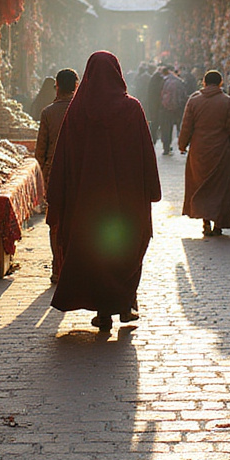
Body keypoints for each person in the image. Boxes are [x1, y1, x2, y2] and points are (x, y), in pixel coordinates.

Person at [47, 51, 162, 331]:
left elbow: (62, 158)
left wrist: (57, 195)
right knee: (124, 249)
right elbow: (146, 154)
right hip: (126, 202)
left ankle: (103, 313)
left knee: (92, 251)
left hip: (86, 205)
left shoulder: (76, 112)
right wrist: (151, 190)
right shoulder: (132, 109)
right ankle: (123, 306)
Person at [178, 70, 230, 237]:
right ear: (220, 83)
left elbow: (186, 125)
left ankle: (205, 222)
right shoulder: (227, 102)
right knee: (220, 188)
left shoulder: (194, 100)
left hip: (199, 151)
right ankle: (218, 224)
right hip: (221, 151)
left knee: (200, 185)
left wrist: (182, 144)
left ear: (204, 83)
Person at [34, 68, 78, 284]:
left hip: (53, 175)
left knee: (56, 223)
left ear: (57, 86)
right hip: (78, 175)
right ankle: (73, 267)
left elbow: (40, 151)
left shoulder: (48, 112)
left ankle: (57, 269)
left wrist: (40, 179)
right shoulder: (83, 111)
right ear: (76, 86)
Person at [159, 66, 188, 155]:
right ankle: (182, 146)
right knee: (180, 127)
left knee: (167, 128)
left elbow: (161, 94)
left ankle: (166, 147)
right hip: (178, 108)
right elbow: (183, 94)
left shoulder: (165, 81)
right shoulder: (179, 81)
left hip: (166, 108)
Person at [145, 64, 166, 138]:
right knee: (162, 124)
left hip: (153, 104)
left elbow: (150, 93)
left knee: (154, 123)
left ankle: (153, 139)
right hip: (160, 105)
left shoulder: (152, 79)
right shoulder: (161, 79)